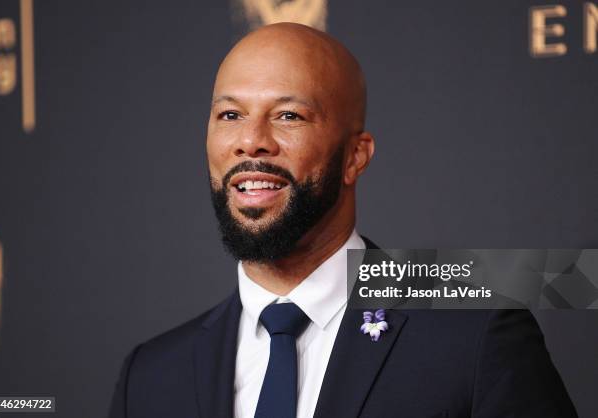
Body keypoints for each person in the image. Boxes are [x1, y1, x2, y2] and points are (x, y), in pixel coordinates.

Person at [108, 23, 577, 418]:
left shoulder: (475, 330)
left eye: (288, 115)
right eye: (230, 114)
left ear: (355, 156)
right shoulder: (150, 377)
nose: (251, 141)